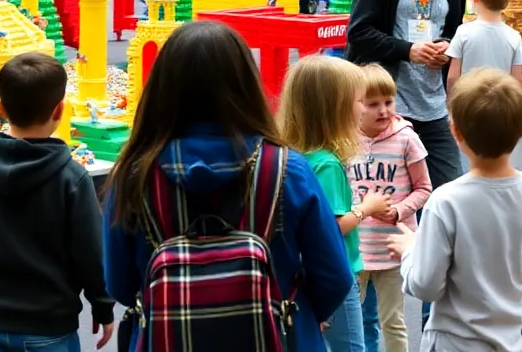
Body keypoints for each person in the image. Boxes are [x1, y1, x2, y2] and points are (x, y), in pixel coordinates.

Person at [103, 22, 353, 351]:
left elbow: (119, 284)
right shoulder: (287, 170)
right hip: (282, 338)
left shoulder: (134, 175)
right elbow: (334, 276)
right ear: (246, 83)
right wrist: (292, 312)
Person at [0, 52, 114, 352]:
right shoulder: (73, 178)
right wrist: (102, 305)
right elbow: (90, 252)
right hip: (50, 327)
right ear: (60, 110)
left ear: (0, 108)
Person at [386, 70, 522, 352]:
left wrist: (410, 251)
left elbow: (426, 285)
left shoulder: (446, 201)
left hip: (454, 342)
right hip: (516, 340)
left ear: (456, 132)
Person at [345, 0, 468, 193]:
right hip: (387, 109)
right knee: (391, 198)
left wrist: (446, 46)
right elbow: (358, 34)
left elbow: (454, 32)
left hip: (434, 109)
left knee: (448, 195)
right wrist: (408, 50)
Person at [279, 55, 391, 352]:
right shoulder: (327, 164)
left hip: (305, 274)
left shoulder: (295, 156)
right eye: (359, 101)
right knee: (353, 346)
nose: (362, 108)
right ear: (336, 110)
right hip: (337, 274)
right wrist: (366, 207)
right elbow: (331, 227)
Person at [351, 66, 431, 352]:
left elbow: (424, 188)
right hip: (356, 248)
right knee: (357, 319)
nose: (383, 110)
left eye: (389, 101)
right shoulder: (345, 139)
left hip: (393, 247)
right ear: (355, 104)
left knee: (392, 321)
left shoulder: (406, 139)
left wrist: (398, 210)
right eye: (373, 104)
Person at [445, 0, 522, 93]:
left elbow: (452, 77)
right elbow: (517, 81)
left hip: (468, 102)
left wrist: (452, 104)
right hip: (501, 103)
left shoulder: (463, 32)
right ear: (507, 2)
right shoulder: (514, 37)